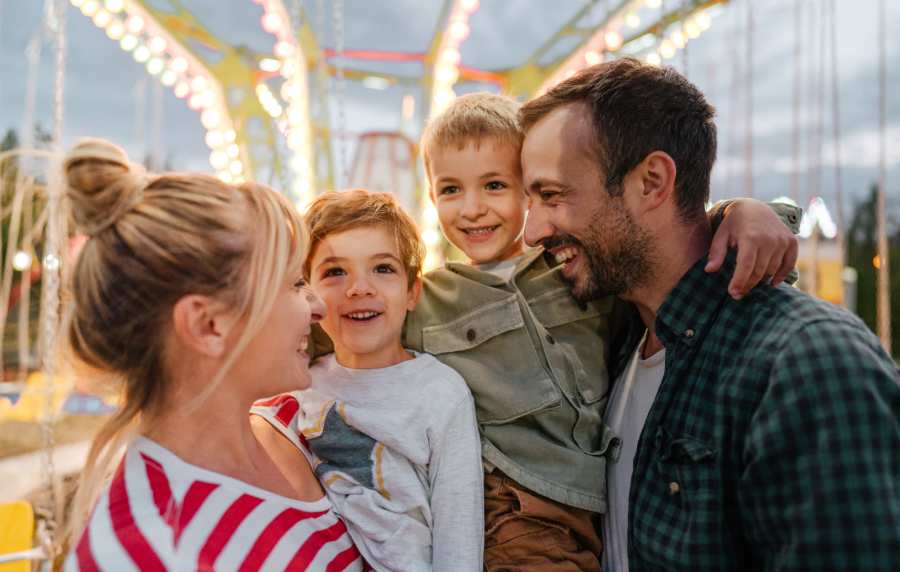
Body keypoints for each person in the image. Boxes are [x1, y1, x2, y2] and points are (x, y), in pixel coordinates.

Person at [520, 57, 900, 571]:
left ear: (652, 182)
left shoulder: (808, 361)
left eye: (552, 196)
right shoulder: (610, 334)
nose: (533, 232)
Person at [398, 93, 801, 570]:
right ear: (431, 197)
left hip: (594, 499)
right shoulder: (429, 299)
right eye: (450, 190)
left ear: (529, 190)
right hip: (514, 503)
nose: (472, 209)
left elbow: (664, 243)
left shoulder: (575, 268)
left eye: (494, 185)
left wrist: (740, 211)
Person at [61, 139, 364, 571]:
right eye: (294, 285)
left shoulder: (302, 426)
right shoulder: (140, 553)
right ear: (208, 325)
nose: (318, 307)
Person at [253, 189, 483, 572]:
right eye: (335, 272)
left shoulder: (441, 392)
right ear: (308, 291)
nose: (359, 288)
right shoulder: (298, 385)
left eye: (383, 269)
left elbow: (459, 525)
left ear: (412, 291)